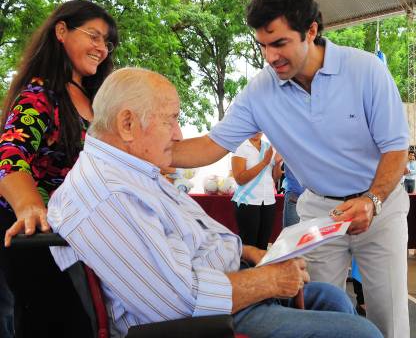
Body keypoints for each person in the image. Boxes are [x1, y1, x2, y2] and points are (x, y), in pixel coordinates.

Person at [47, 67, 382, 338]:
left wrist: (248, 253)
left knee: (334, 297)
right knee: (359, 332)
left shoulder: (132, 174)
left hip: (229, 291)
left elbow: (198, 235)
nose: (178, 134)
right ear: (128, 123)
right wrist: (270, 281)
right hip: (206, 322)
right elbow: (178, 304)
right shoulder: (110, 195)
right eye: (171, 119)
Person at [170, 0, 410, 337]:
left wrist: (372, 200)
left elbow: (395, 147)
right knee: (319, 311)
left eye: (280, 43)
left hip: (381, 206)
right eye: (263, 46)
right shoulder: (259, 92)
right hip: (320, 213)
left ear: (310, 30)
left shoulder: (366, 71)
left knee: (388, 315)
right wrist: (140, 150)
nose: (270, 57)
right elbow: (211, 145)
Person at [0, 0, 118, 337]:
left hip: (72, 233)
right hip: (32, 234)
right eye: (93, 36)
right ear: (62, 32)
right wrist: (28, 206)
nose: (101, 48)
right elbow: (9, 156)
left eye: (106, 42)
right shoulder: (40, 95)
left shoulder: (96, 101)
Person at [231, 133, 282, 250]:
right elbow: (240, 179)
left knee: (263, 245)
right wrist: (264, 162)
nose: (257, 130)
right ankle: (247, 268)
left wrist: (278, 163)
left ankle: (260, 268)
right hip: (247, 202)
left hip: (268, 201)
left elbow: (275, 178)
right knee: (249, 245)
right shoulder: (240, 146)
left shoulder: (269, 147)